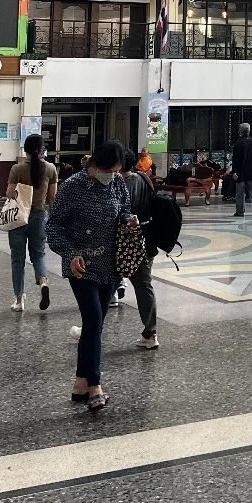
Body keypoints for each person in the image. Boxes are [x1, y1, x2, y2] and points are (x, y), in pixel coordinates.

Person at [45, 139, 131, 412]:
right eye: (109, 170)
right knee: (93, 319)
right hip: (82, 265)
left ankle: (80, 384)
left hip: (111, 264)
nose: (112, 176)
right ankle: (95, 385)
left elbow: (124, 210)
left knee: (95, 325)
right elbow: (53, 227)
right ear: (95, 165)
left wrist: (128, 220)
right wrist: (70, 254)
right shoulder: (73, 187)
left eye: (116, 171)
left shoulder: (117, 184)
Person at [5, 133, 57, 312]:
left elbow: (9, 193)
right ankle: (43, 282)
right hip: (39, 215)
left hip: (19, 215)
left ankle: (19, 300)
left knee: (17, 258)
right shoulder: (50, 168)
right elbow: (52, 196)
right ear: (42, 149)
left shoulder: (17, 169)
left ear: (25, 150)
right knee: (39, 254)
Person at [120, 149, 159, 350]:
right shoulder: (144, 178)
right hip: (147, 238)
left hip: (127, 243)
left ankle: (91, 328)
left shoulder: (121, 185)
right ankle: (150, 333)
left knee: (105, 285)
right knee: (144, 285)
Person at [231, 123, 252, 218]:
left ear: (240, 131)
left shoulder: (238, 143)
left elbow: (235, 159)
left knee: (240, 193)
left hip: (240, 172)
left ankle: (240, 212)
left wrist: (234, 172)